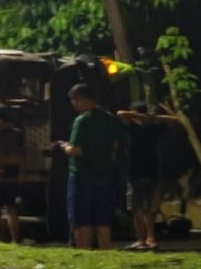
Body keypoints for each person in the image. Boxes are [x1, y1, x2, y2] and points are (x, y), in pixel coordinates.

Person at [59, 82, 125, 250]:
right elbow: (115, 144)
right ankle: (106, 249)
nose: (73, 105)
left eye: (74, 101)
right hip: (104, 173)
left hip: (81, 173)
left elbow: (75, 149)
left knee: (82, 219)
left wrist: (64, 147)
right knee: (102, 218)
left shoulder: (82, 120)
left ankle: (83, 251)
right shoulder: (109, 117)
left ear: (80, 99)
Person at [119, 101, 166, 250]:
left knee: (141, 207)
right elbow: (120, 114)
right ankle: (147, 239)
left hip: (139, 173)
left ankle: (145, 239)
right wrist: (147, 117)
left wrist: (149, 118)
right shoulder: (146, 128)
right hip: (147, 172)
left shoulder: (150, 128)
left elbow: (174, 120)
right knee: (144, 208)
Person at [0, 102, 26, 243]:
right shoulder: (18, 133)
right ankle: (14, 240)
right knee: (12, 210)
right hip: (13, 176)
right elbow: (21, 157)